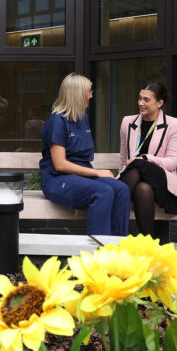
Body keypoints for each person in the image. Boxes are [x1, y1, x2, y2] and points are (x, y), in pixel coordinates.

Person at [39, 73, 130, 236]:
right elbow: (60, 164)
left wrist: (95, 173)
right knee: (103, 192)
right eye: (89, 91)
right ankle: (99, 251)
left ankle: (118, 248)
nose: (91, 95)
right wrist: (97, 172)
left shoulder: (83, 119)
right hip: (57, 179)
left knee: (121, 190)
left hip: (81, 176)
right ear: (78, 94)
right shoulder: (57, 122)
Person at [118, 82, 177, 236]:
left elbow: (173, 162)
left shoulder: (174, 125)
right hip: (136, 182)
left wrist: (145, 158)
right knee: (143, 189)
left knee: (138, 163)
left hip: (160, 179)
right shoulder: (127, 122)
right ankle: (149, 246)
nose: (141, 103)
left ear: (159, 103)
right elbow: (124, 158)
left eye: (146, 100)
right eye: (139, 98)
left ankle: (114, 201)